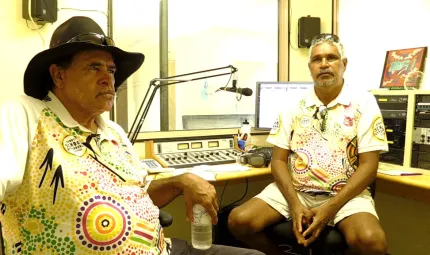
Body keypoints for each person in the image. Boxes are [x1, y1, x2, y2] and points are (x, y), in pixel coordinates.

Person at [0, 16, 264, 255]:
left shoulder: (112, 131)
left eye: (111, 70)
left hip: (160, 248)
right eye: (94, 68)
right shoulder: (26, 115)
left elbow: (142, 190)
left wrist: (182, 180)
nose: (108, 79)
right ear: (58, 75)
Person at [228, 34, 389, 255]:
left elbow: (370, 166)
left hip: (345, 194)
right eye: (317, 59)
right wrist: (294, 204)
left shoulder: (364, 103)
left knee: (372, 242)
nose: (324, 64)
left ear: (344, 64)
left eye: (331, 58)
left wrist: (330, 208)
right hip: (297, 191)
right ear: (310, 66)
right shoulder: (293, 105)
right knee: (239, 220)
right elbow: (278, 160)